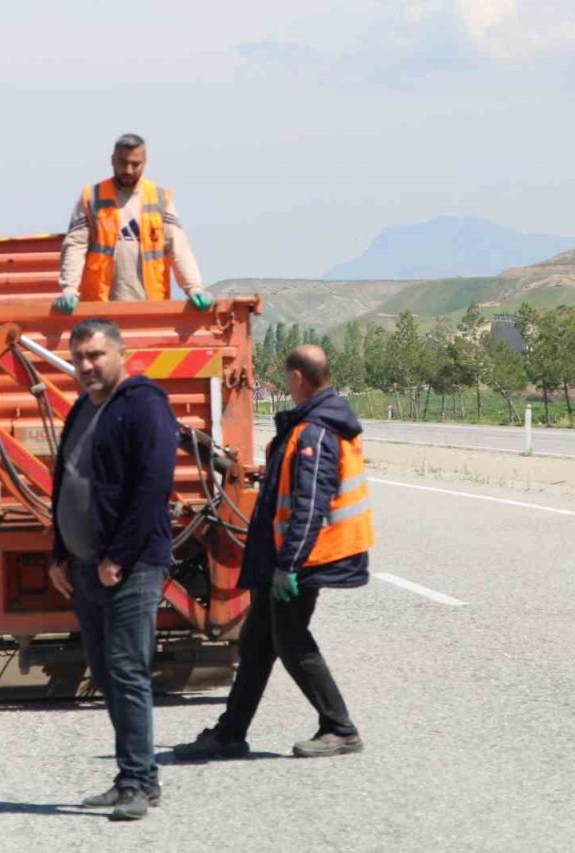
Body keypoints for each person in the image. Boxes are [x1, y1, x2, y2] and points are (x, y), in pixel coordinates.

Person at [172, 345, 375, 760]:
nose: (286, 383)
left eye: (286, 377)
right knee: (258, 643)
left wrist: (288, 566)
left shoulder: (315, 433)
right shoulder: (310, 427)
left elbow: (310, 504)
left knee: (291, 640)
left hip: (302, 560)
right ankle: (230, 733)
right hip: (286, 558)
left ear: (298, 377)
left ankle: (340, 728)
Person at [47, 318, 179, 821]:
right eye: (79, 356)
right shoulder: (84, 407)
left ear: (121, 354)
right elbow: (67, 484)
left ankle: (137, 784)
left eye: (96, 355)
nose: (85, 365)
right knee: (105, 672)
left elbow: (152, 488)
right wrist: (59, 553)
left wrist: (117, 558)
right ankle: (138, 776)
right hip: (84, 566)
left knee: (126, 670)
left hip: (130, 566)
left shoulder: (144, 405)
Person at [54, 133, 212, 313]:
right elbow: (75, 245)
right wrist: (69, 289)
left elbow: (178, 246)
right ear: (113, 160)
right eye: (123, 163)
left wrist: (193, 286)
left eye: (135, 164)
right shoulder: (92, 198)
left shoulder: (160, 198)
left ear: (145, 162)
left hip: (150, 305)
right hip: (100, 304)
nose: (128, 170)